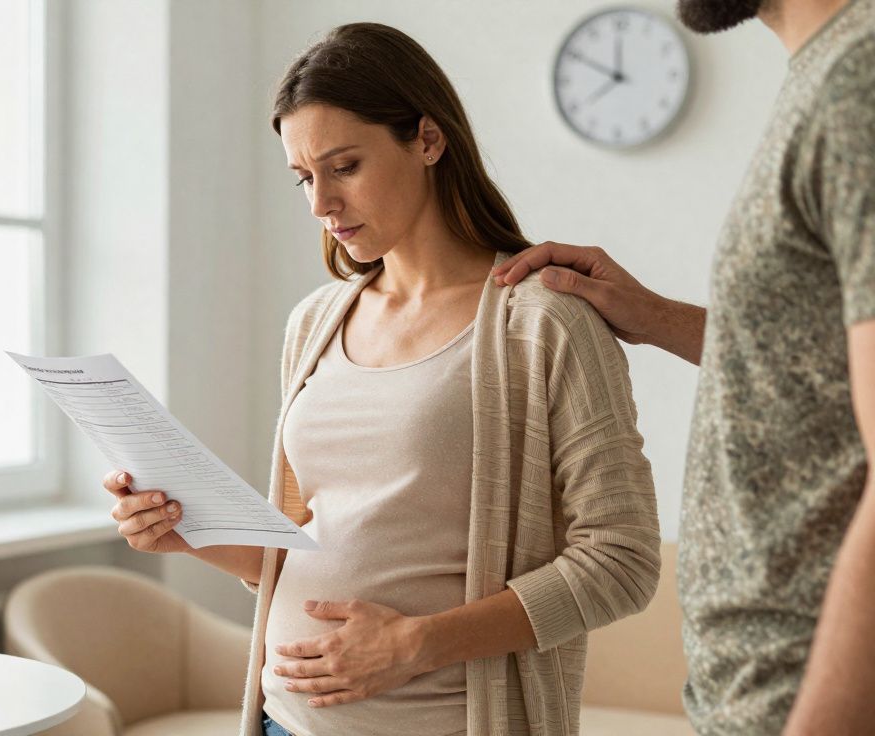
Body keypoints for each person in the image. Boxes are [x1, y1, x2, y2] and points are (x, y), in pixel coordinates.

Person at [104, 23, 661, 736]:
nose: (320, 204)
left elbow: (621, 560)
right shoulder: (315, 322)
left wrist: (416, 644)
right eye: (304, 177)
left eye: (343, 166)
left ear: (427, 140)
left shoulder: (545, 321)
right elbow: (311, 541)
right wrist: (187, 533)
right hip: (284, 721)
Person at [491, 1, 875, 733]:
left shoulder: (859, 80)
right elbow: (818, 364)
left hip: (808, 699)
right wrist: (655, 316)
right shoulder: (826, 74)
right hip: (755, 692)